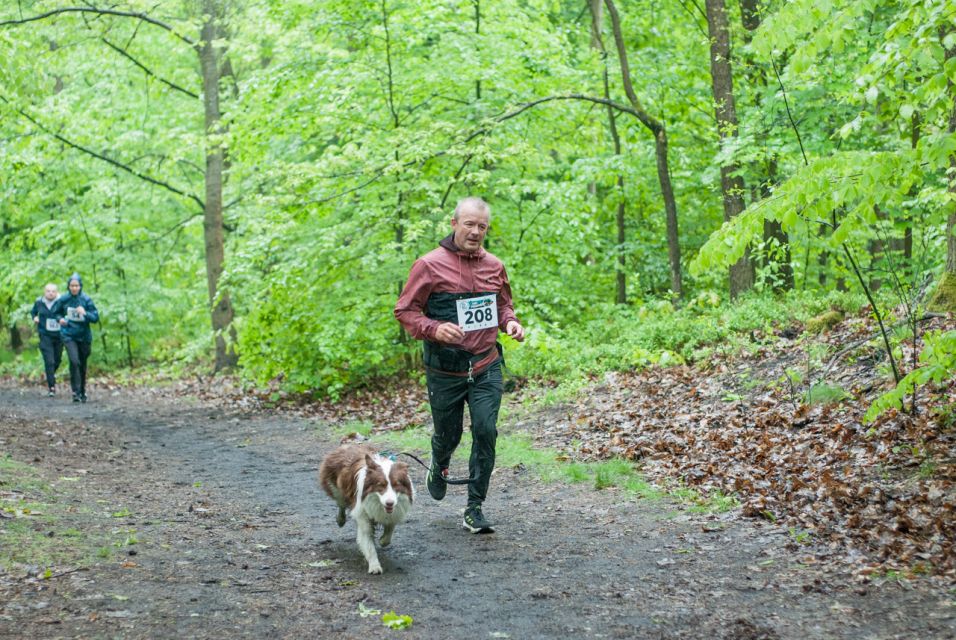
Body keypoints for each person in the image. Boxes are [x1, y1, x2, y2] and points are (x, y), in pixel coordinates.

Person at [394, 196, 524, 533]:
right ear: (453, 224)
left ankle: (474, 507)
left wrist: (510, 323)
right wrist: (435, 328)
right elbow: (405, 311)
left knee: (485, 431)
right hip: (445, 370)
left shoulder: (495, 266)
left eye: (482, 226)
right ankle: (439, 461)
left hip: (485, 365)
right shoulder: (428, 265)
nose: (476, 231)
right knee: (448, 436)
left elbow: (503, 306)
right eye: (469, 224)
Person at [55, 273, 99, 403]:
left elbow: (95, 318)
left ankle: (82, 390)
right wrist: (60, 319)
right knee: (74, 361)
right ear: (68, 286)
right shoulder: (63, 299)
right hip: (68, 335)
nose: (74, 288)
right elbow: (56, 313)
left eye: (77, 286)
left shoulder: (86, 299)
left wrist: (85, 312)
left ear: (80, 286)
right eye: (72, 286)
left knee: (82, 364)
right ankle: (75, 391)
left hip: (84, 336)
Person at [31, 283, 64, 397]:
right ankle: (52, 387)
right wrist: (35, 318)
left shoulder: (61, 302)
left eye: (53, 291)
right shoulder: (39, 302)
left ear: (56, 292)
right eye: (48, 291)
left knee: (57, 360)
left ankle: (50, 374)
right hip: (45, 335)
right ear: (44, 292)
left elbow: (67, 314)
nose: (50, 293)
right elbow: (33, 312)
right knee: (49, 361)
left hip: (59, 335)